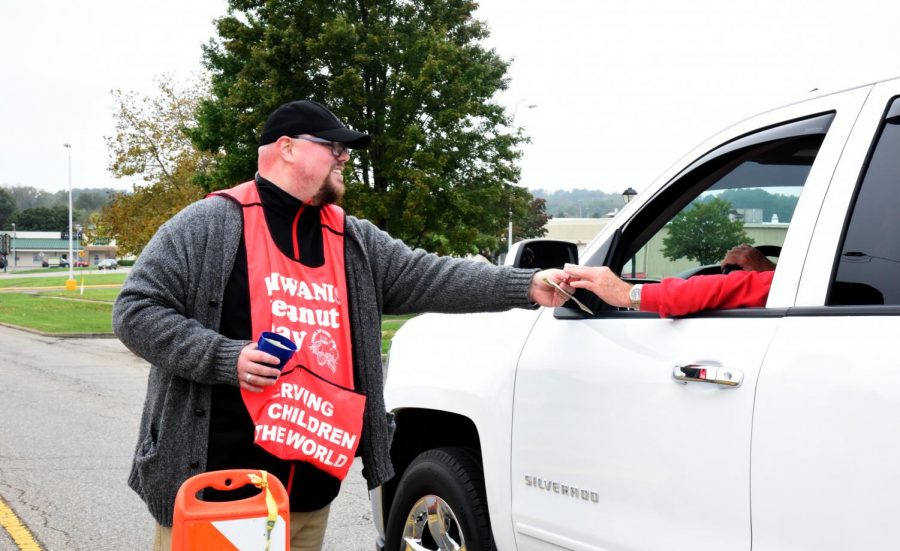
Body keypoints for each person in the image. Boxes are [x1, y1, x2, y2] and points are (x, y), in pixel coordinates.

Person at [112, 99, 570, 551]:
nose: (345, 157)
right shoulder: (209, 224)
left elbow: (433, 276)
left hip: (309, 494)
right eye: (333, 147)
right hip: (220, 489)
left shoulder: (352, 239)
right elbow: (135, 308)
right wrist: (225, 358)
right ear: (287, 148)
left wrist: (529, 285)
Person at [563, 244, 775, 317]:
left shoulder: (776, 285)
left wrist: (625, 293)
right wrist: (768, 270)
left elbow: (714, 289)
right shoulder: (797, 285)